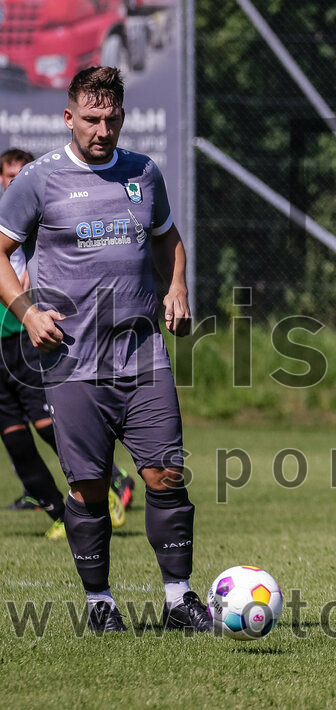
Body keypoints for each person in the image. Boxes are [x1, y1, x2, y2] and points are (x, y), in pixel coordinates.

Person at [0, 66, 209, 633]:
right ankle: (100, 604)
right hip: (72, 361)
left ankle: (179, 599)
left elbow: (167, 238)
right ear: (68, 117)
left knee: (166, 474)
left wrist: (177, 286)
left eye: (111, 119)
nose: (102, 130)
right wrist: (27, 312)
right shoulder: (38, 180)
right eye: (91, 119)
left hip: (142, 356)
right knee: (89, 488)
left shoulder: (144, 172)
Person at [0, 149, 133, 534]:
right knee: (15, 440)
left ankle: (109, 481)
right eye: (8, 175)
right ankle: (61, 515)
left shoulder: (37, 216)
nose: (14, 181)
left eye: (20, 174)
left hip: (26, 336)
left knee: (46, 425)